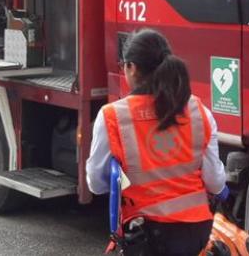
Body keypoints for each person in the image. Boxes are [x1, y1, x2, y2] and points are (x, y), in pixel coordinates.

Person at [86, 29, 225, 256]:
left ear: (131, 67)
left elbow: (97, 184)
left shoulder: (112, 116)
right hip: (198, 233)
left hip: (147, 237)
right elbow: (215, 183)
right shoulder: (198, 110)